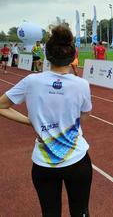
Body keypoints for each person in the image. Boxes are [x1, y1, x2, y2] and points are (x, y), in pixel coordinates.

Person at [0, 25, 93, 216]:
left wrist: (31, 121)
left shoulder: (31, 81)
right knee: (81, 212)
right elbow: (84, 116)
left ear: (47, 55)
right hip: (77, 160)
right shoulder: (82, 85)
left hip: (43, 163)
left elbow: (1, 105)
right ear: (73, 55)